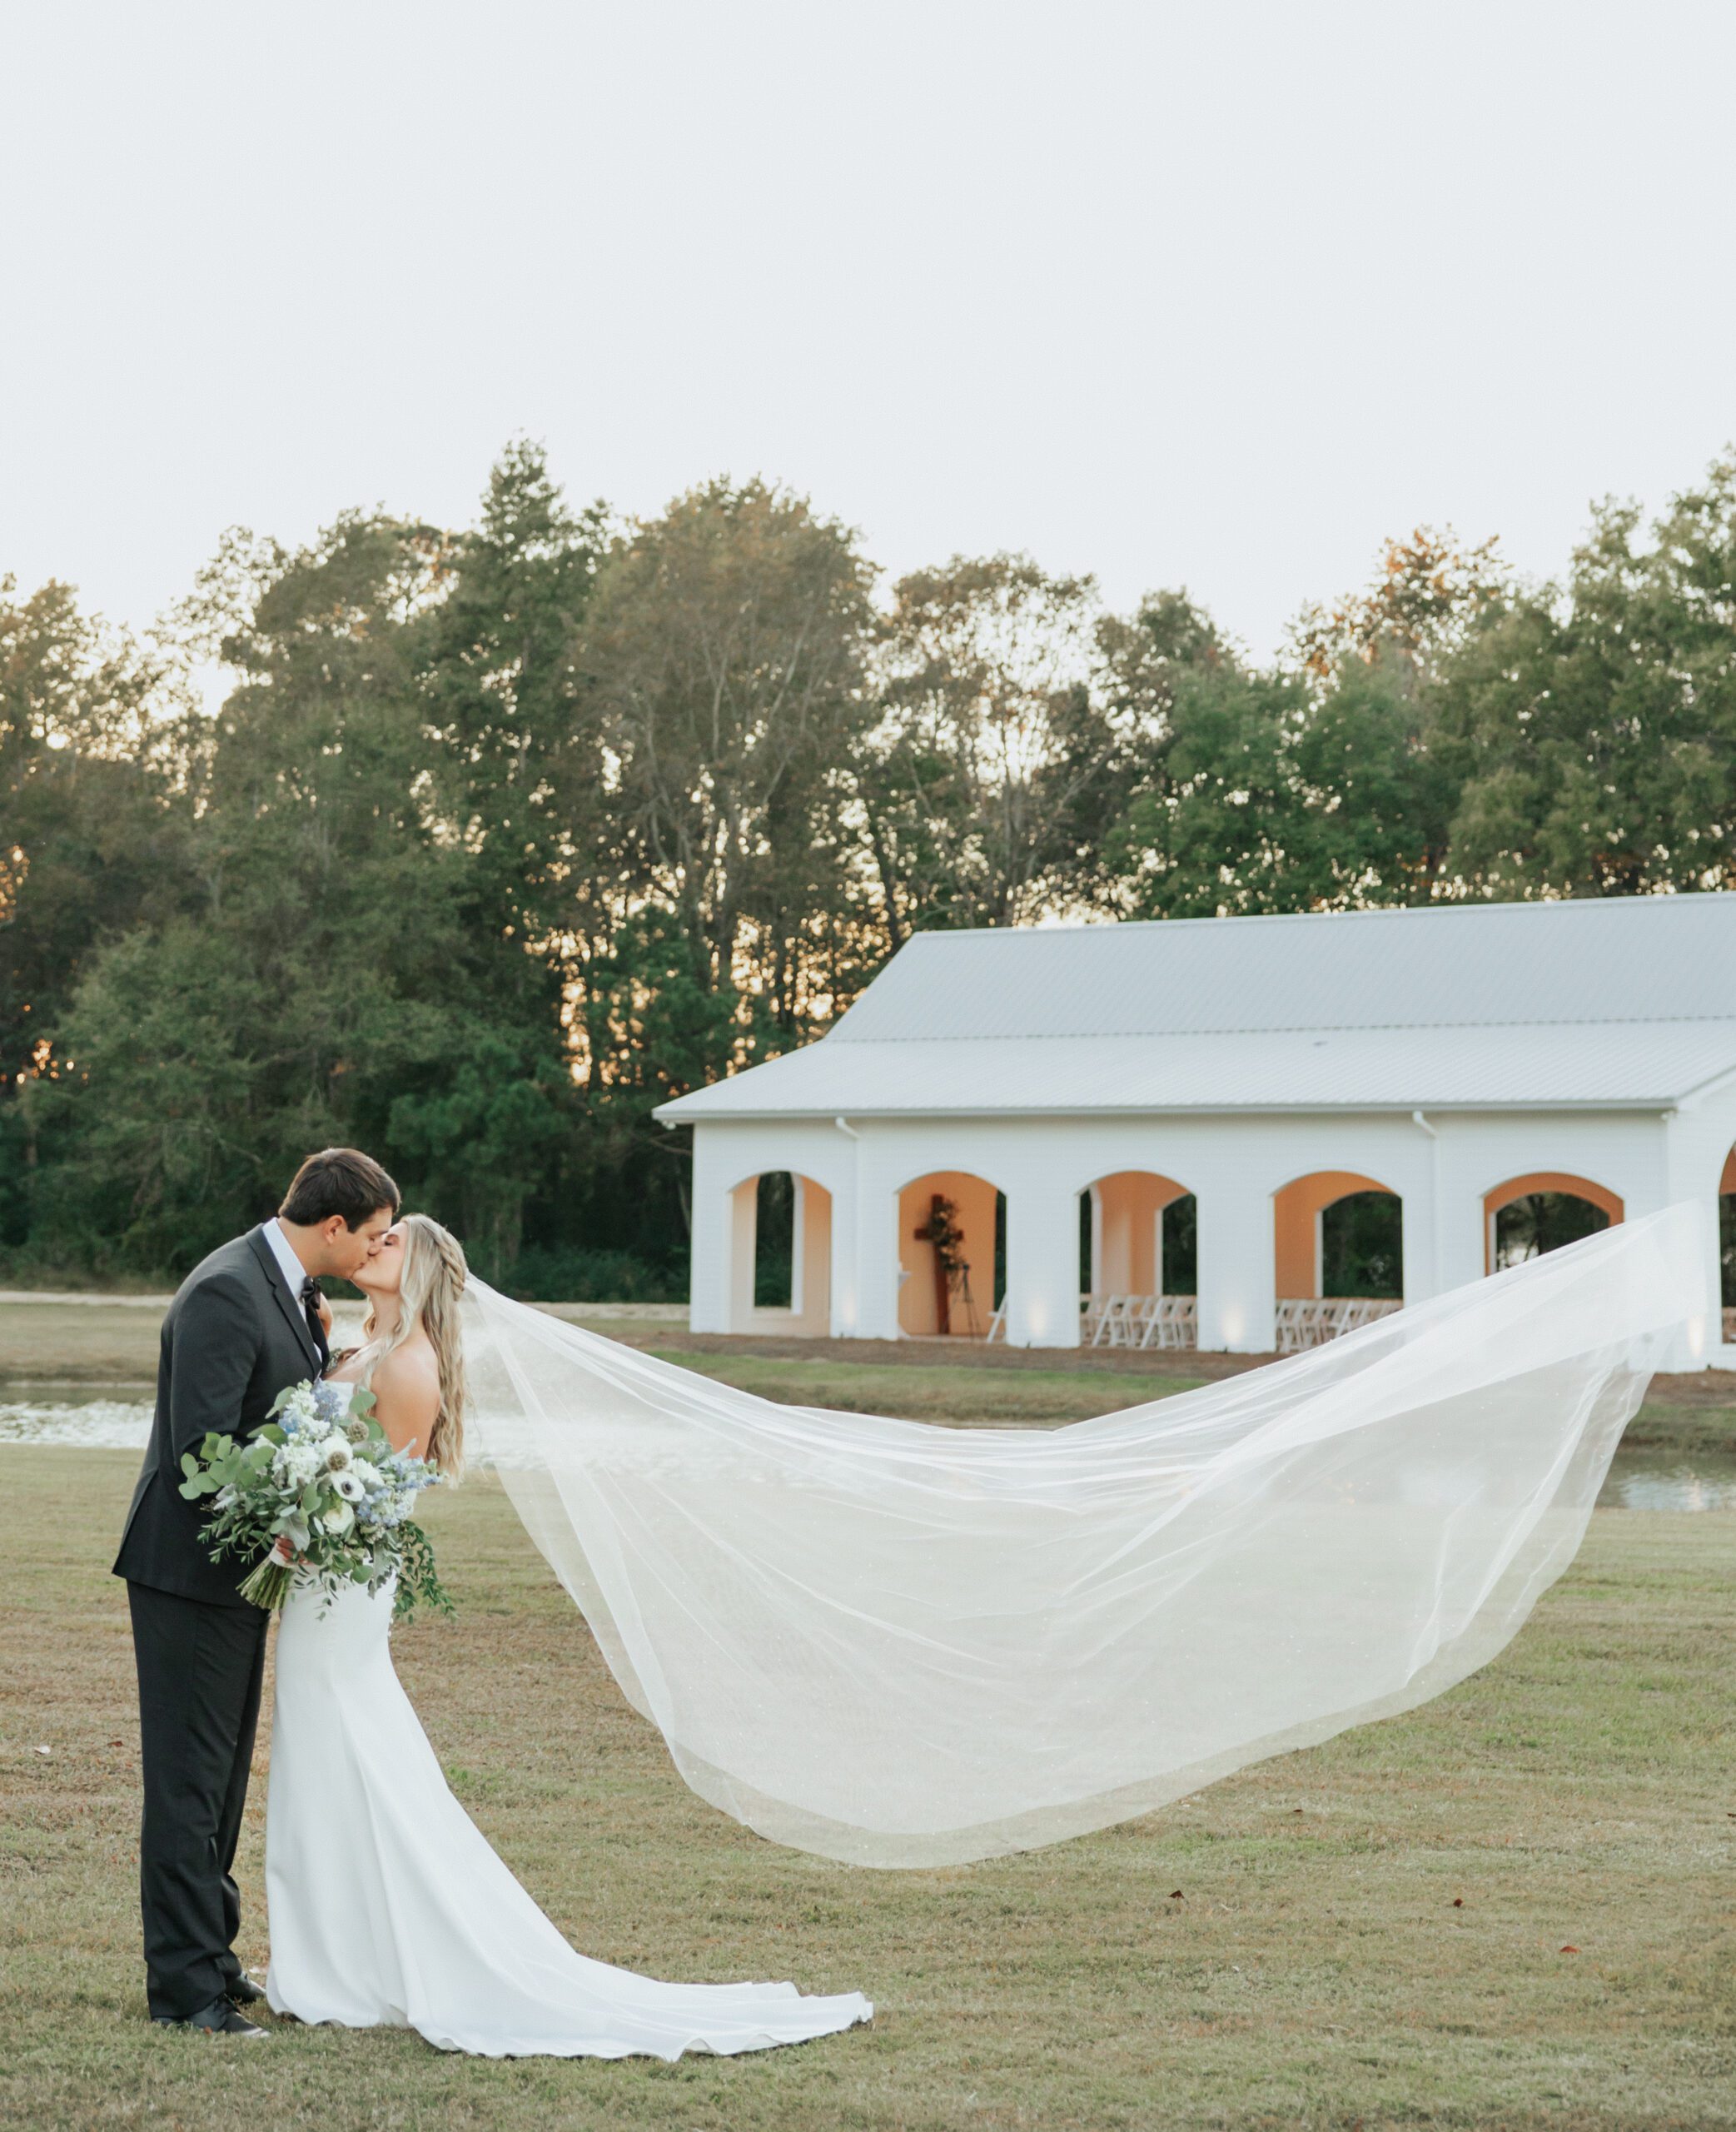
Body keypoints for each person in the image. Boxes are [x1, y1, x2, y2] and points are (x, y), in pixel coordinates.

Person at [264, 1213, 872, 2059]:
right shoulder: (365, 1344)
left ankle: (345, 1961)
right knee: (334, 1750)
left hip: (340, 1584)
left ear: (424, 1272)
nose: (373, 1245)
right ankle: (331, 1952)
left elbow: (372, 1498)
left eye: (391, 1240)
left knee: (341, 1746)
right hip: (326, 1583)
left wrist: (295, 1525)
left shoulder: (408, 1363)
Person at [113, 1148, 400, 2037]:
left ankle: (215, 1959)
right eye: (376, 1235)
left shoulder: (285, 1289)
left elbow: (268, 1417)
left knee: (223, 1780)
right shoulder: (227, 1290)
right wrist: (287, 1513)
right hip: (188, 1576)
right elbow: (202, 1456)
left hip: (236, 1577)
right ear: (333, 1226)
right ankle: (185, 1993)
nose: (379, 1250)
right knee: (189, 1783)